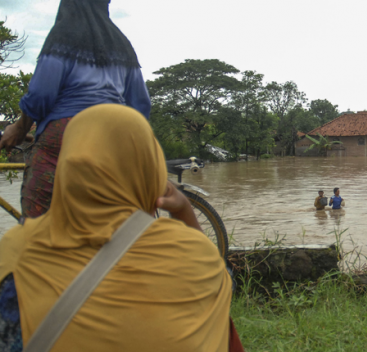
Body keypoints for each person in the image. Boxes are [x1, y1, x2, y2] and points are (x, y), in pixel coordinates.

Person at [0, 105, 239, 352]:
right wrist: (183, 211)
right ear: (149, 165)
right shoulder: (190, 252)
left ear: (66, 165)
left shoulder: (17, 249)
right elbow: (224, 286)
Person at [0, 0, 151, 219]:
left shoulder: (62, 36)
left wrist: (20, 128)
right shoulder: (123, 45)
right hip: (113, 140)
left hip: (65, 135)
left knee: (38, 225)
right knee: (105, 220)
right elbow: (141, 105)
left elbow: (41, 94)